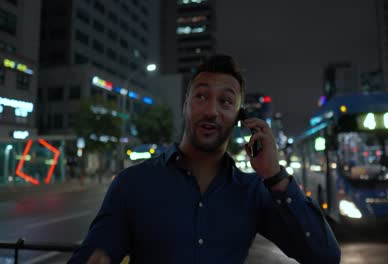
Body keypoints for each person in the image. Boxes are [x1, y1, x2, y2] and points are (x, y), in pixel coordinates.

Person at [68, 54, 340, 264]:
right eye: (201, 96)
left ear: (240, 118)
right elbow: (94, 253)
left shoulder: (252, 191)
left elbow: (324, 256)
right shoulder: (133, 184)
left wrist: (276, 175)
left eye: (225, 101)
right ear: (185, 105)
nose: (211, 110)